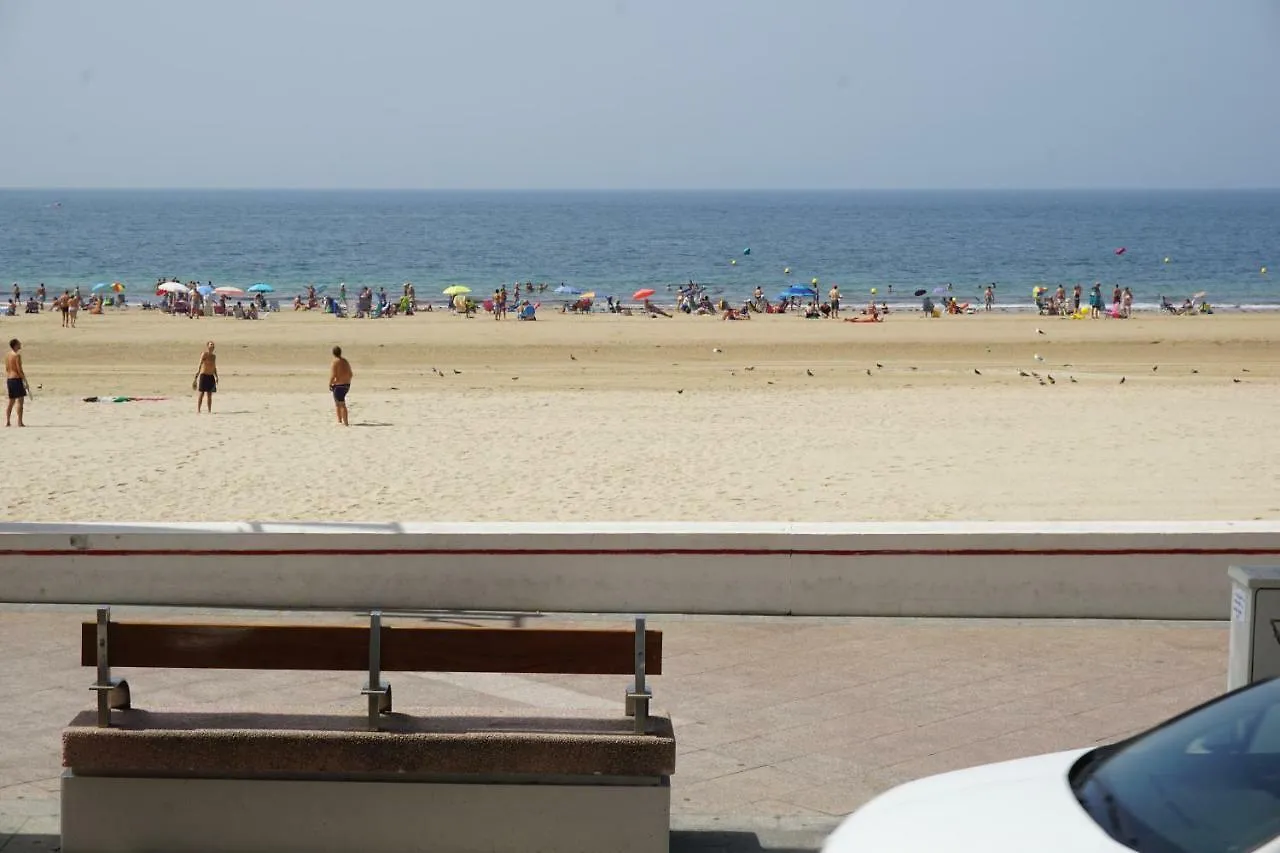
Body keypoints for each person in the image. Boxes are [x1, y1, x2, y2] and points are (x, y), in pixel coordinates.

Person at [5, 338, 27, 427]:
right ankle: (20, 422)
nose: (20, 344)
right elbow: (19, 369)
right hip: (16, 379)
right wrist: (25, 380)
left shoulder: (7, 355)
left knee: (11, 401)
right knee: (20, 401)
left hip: (9, 379)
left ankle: (8, 421)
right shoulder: (17, 355)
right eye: (18, 343)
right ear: (15, 345)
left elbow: (7, 368)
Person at [329, 345, 353, 426]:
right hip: (347, 385)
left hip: (339, 386)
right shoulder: (345, 361)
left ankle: (344, 422)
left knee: (340, 403)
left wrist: (330, 383)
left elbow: (333, 375)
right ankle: (340, 421)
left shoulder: (335, 362)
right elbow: (350, 374)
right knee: (339, 402)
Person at [193, 340, 218, 413]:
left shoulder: (214, 356)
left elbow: (214, 366)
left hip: (211, 376)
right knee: (201, 393)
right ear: (207, 346)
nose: (212, 346)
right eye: (211, 345)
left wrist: (216, 376)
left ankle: (209, 410)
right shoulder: (204, 354)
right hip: (204, 375)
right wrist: (197, 374)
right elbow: (200, 364)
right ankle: (198, 410)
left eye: (213, 345)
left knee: (209, 394)